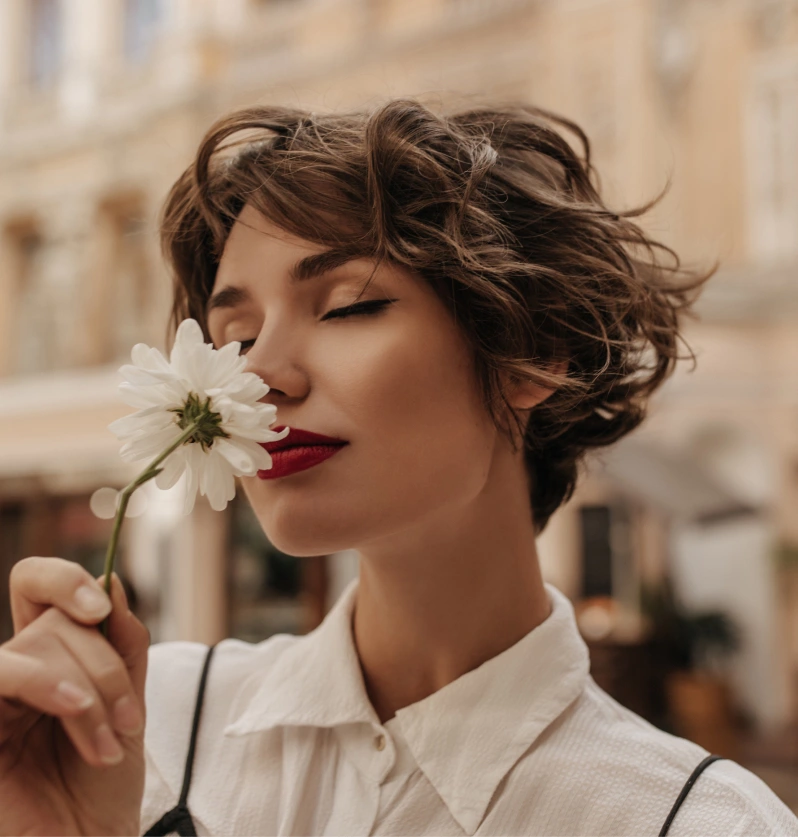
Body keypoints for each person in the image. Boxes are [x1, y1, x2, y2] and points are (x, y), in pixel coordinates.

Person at [2, 97, 797, 836]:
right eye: (234, 337)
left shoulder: (695, 821)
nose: (256, 376)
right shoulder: (137, 726)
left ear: (528, 353)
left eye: (349, 305)